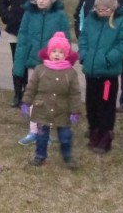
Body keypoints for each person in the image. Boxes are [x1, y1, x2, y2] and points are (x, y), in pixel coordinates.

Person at [12, 0, 70, 145]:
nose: (41, 1)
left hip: (51, 65)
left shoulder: (59, 16)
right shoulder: (29, 14)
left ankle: (45, 131)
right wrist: (19, 64)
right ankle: (33, 131)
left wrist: (63, 62)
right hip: (33, 63)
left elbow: (65, 40)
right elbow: (22, 38)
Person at [78, 0, 123, 153]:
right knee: (91, 104)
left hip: (108, 75)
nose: (102, 12)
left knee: (106, 104)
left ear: (113, 8)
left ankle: (105, 135)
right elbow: (83, 39)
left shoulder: (121, 21)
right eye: (99, 8)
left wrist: (110, 59)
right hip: (91, 72)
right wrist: (84, 56)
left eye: (106, 9)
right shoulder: (90, 19)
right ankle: (93, 130)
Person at [21, 32, 83, 168]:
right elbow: (31, 88)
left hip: (63, 110)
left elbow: (75, 94)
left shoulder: (70, 73)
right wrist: (26, 102)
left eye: (61, 52)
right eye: (54, 51)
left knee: (65, 137)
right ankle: (40, 156)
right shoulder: (40, 69)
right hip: (42, 109)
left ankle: (67, 157)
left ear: (66, 55)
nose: (57, 54)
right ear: (48, 52)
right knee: (41, 136)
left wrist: (75, 111)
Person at [0, 0, 45, 107]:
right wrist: (7, 17)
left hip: (33, 31)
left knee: (30, 62)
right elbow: (2, 2)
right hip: (15, 29)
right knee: (17, 61)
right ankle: (17, 93)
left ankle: (27, 92)